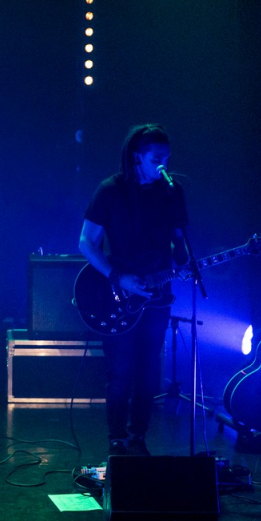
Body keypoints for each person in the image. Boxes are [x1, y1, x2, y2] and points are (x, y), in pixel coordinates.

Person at [78, 123, 189, 457]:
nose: (163, 165)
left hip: (156, 296)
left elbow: (180, 243)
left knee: (149, 370)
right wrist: (118, 277)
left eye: (167, 158)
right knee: (121, 371)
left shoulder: (172, 192)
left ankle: (138, 437)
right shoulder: (110, 190)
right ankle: (116, 440)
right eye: (157, 158)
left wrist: (184, 262)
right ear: (138, 156)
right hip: (118, 295)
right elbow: (86, 242)